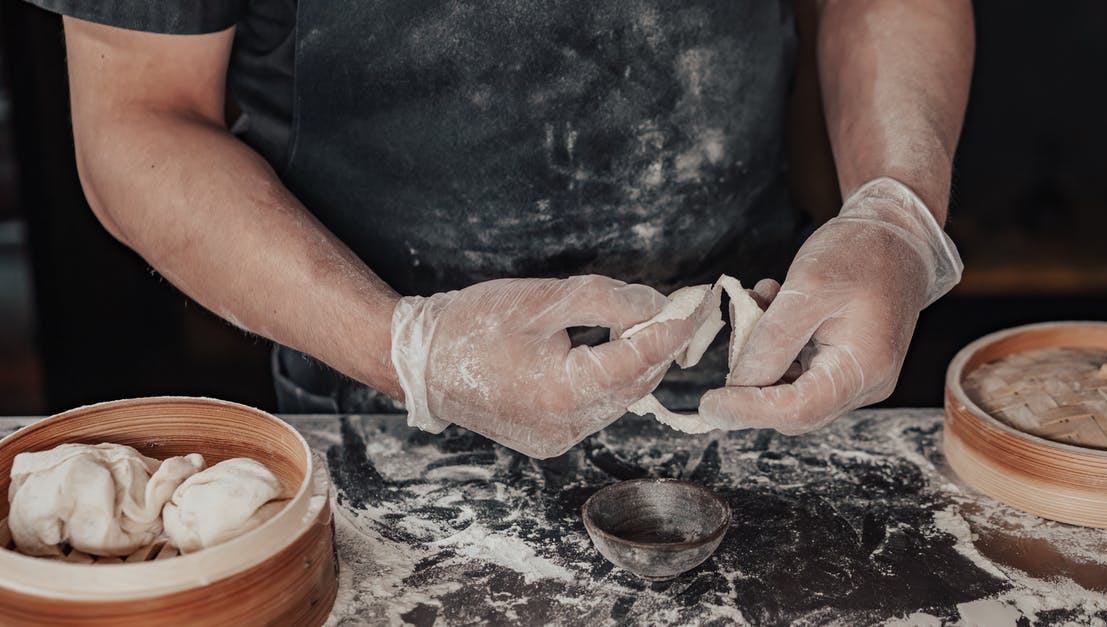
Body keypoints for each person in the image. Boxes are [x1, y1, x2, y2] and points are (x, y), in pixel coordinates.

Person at [29, 0, 972, 458]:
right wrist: (411, 348)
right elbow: (137, 115)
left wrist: (896, 210)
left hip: (760, 368)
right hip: (381, 408)